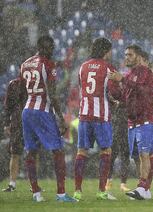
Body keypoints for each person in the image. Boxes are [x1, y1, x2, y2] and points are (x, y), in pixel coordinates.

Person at [109, 44, 153, 200]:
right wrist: (112, 88)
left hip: (146, 120)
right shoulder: (130, 74)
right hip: (132, 121)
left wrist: (123, 80)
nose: (126, 57)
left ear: (139, 57)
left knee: (145, 155)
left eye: (130, 55)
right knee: (140, 157)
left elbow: (146, 94)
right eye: (125, 55)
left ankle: (143, 188)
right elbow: (126, 98)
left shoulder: (147, 74)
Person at [20, 35, 76, 202]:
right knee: (58, 150)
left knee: (31, 151)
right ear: (48, 47)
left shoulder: (25, 64)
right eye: (51, 48)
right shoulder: (48, 64)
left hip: (27, 111)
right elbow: (52, 94)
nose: (52, 51)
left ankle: (36, 193)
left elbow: (23, 91)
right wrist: (60, 117)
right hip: (42, 111)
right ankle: (61, 194)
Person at [72, 38, 121, 201]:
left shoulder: (83, 67)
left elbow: (84, 89)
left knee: (81, 152)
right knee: (106, 151)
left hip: (84, 114)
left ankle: (77, 191)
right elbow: (114, 91)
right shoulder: (108, 68)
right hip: (101, 115)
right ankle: (101, 191)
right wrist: (115, 99)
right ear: (106, 51)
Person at [1, 77, 26, 192]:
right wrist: (6, 123)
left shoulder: (35, 83)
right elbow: (7, 106)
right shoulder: (13, 84)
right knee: (14, 152)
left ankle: (34, 184)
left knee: (33, 151)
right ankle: (12, 183)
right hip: (17, 122)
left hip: (30, 120)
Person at [105, 97, 131, 192]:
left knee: (125, 155)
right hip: (115, 125)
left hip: (125, 125)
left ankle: (123, 183)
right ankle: (108, 180)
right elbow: (110, 99)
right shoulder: (112, 85)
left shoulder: (126, 85)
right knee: (112, 154)